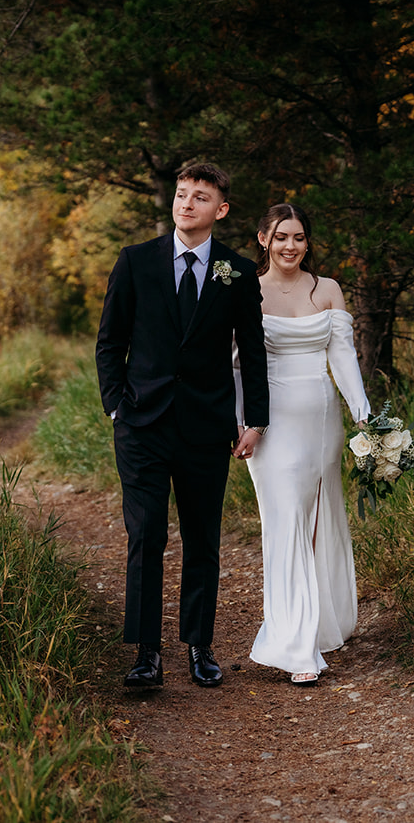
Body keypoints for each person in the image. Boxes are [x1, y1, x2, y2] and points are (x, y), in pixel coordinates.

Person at [95, 162, 269, 690]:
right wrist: (116, 406)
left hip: (206, 426)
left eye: (200, 197)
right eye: (181, 194)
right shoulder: (136, 261)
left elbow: (253, 353)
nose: (186, 203)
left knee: (202, 537)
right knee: (145, 535)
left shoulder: (237, 272)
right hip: (141, 424)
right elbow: (110, 341)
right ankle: (146, 653)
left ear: (221, 209)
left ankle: (199, 645)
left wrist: (255, 420)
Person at [241, 203, 369, 686]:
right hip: (270, 424)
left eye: (297, 237)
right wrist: (242, 422)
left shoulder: (327, 289)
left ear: (307, 242)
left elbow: (343, 356)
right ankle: (293, 646)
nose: (289, 246)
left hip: (322, 422)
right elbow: (236, 363)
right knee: (286, 522)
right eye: (280, 237)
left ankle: (319, 625)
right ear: (263, 239)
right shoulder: (247, 290)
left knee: (318, 520)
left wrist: (364, 416)